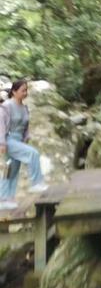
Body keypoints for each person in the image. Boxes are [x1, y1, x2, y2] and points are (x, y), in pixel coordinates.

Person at [0, 80, 48, 210]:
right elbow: (1, 125)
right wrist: (2, 143)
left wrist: (26, 137)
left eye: (26, 90)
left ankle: (5, 199)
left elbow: (26, 125)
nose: (25, 93)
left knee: (11, 170)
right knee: (33, 153)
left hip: (19, 140)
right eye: (23, 90)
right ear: (14, 91)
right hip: (9, 139)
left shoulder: (24, 107)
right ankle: (36, 183)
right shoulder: (6, 106)